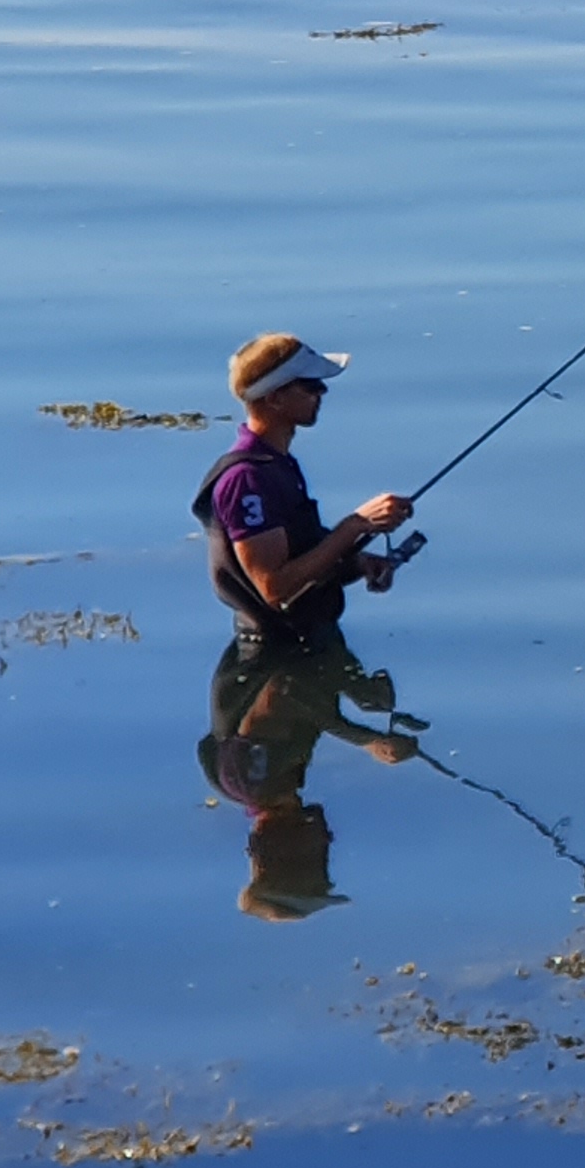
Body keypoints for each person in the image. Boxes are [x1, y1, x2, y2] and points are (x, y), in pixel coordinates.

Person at [191, 335, 412, 651]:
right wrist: (355, 525)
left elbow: (300, 552)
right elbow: (275, 588)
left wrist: (357, 563)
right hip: (273, 651)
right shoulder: (246, 480)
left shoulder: (277, 464)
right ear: (275, 398)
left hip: (307, 640)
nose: (322, 392)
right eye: (310, 386)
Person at [200, 638, 416, 919]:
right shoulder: (245, 785)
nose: (329, 838)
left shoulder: (256, 779)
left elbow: (285, 689)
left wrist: (366, 740)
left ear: (289, 846)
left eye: (320, 852)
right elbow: (207, 747)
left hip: (287, 630)